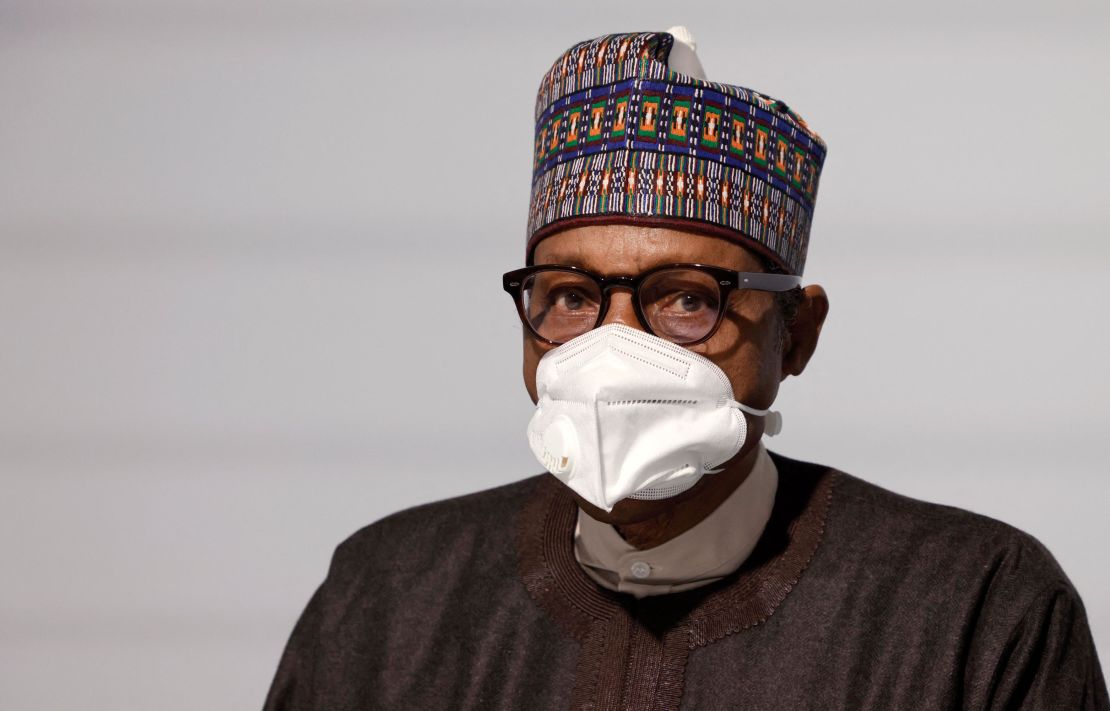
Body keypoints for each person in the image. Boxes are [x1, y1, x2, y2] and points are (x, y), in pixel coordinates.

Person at [263, 28, 1108, 710]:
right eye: (568, 296)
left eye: (685, 299)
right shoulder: (387, 599)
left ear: (797, 334)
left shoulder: (969, 608)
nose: (613, 350)